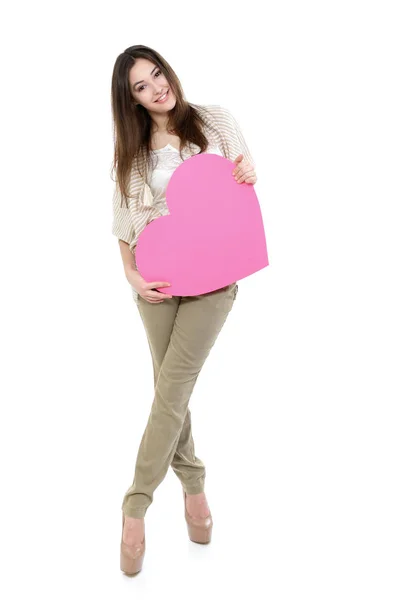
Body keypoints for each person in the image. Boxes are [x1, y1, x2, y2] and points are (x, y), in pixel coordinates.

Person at [110, 45, 258, 575]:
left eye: (157, 74)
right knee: (171, 389)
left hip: (214, 281)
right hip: (157, 284)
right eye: (141, 87)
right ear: (131, 101)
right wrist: (132, 276)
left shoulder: (215, 121)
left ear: (169, 71)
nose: (156, 89)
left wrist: (248, 173)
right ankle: (194, 486)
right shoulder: (132, 152)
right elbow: (124, 227)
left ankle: (135, 505)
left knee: (173, 387)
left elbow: (243, 185)